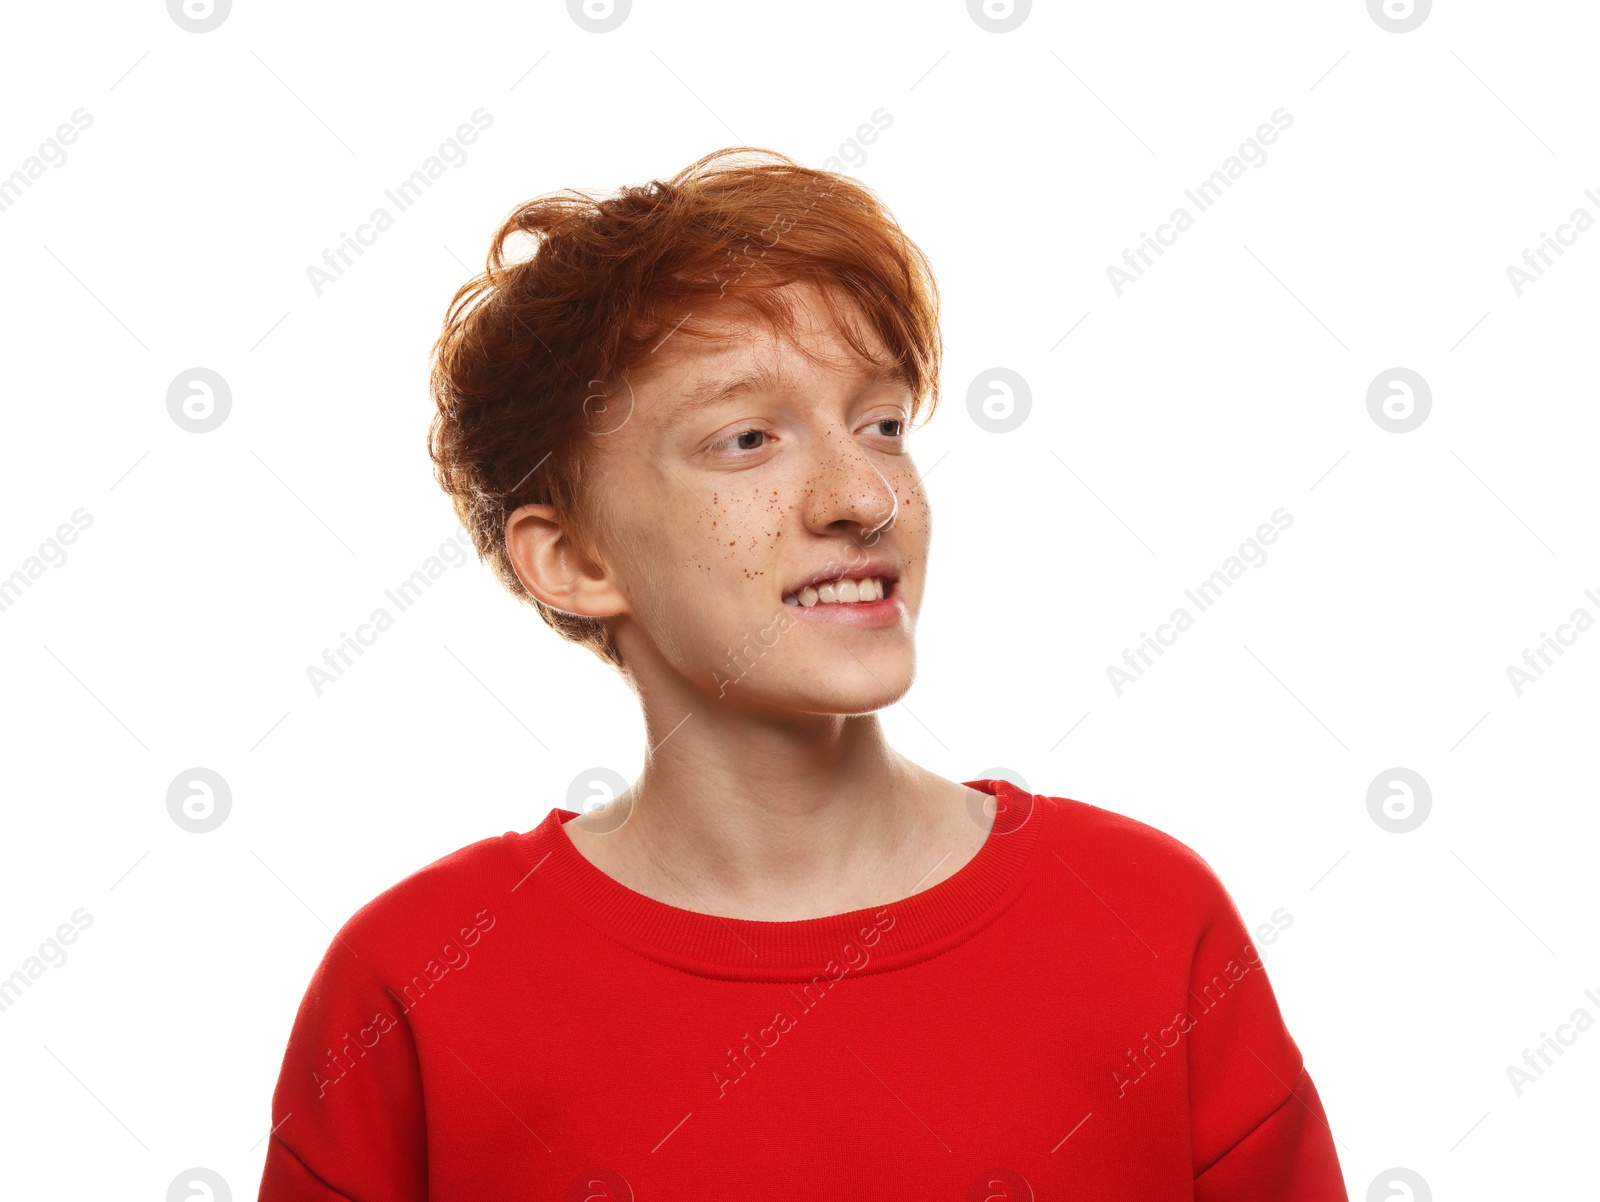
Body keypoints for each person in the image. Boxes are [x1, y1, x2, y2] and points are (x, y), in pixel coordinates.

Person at [256, 147, 1348, 1200]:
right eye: (745, 439)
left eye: (880, 424)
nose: (860, 495)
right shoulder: (414, 985)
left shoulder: (1146, 922)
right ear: (576, 559)